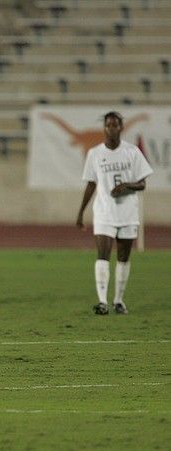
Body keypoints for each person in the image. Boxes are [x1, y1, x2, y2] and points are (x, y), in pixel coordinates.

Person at [76, 111, 153, 315]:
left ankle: (118, 300)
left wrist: (126, 186)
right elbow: (91, 184)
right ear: (104, 128)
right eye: (108, 125)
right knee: (102, 256)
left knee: (123, 258)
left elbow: (142, 183)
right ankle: (102, 302)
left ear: (121, 128)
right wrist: (80, 212)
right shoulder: (95, 153)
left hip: (128, 213)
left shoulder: (132, 152)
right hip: (104, 212)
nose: (111, 128)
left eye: (115, 125)